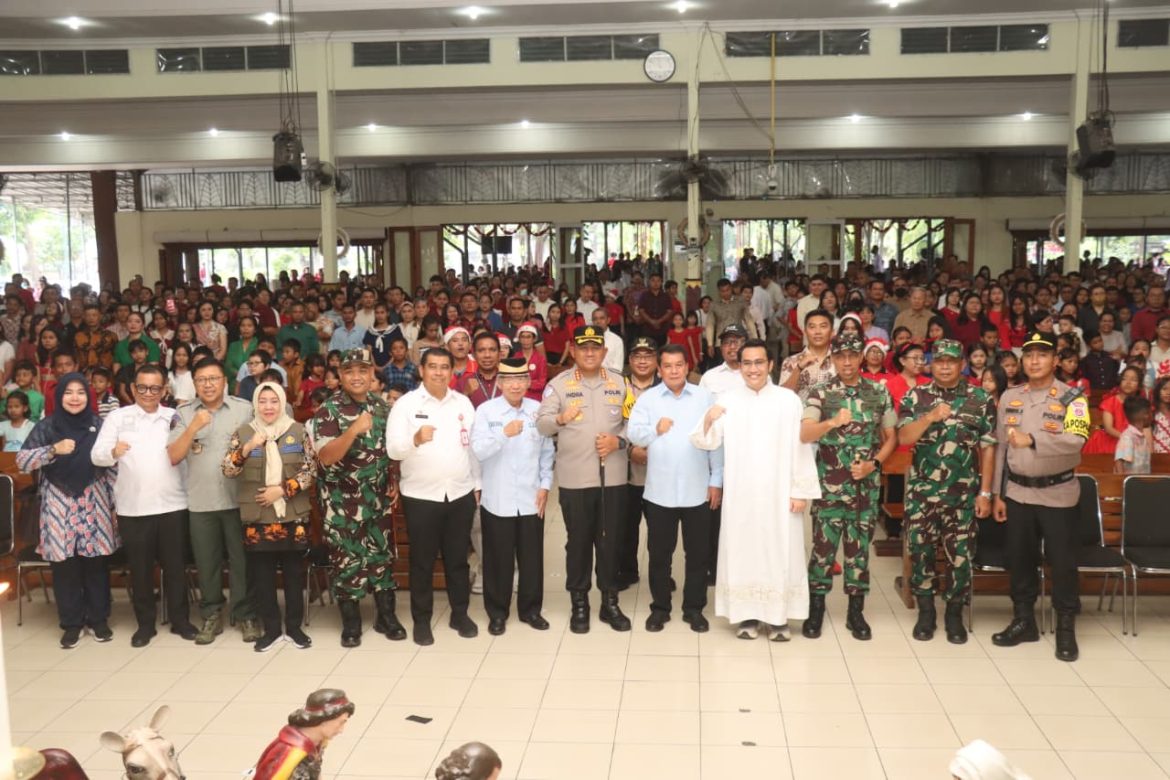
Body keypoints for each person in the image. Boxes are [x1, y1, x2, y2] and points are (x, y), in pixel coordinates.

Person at [690, 339, 821, 641]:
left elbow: (801, 446)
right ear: (740, 367)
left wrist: (799, 490)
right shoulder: (729, 400)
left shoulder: (788, 401)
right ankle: (746, 615)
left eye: (759, 362)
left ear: (770, 365)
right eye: (747, 363)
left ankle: (778, 618)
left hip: (779, 492)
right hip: (742, 492)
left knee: (779, 549)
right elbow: (705, 441)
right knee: (743, 549)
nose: (753, 369)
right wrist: (709, 418)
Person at [992, 330, 1089, 663]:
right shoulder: (1009, 396)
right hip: (1018, 493)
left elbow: (1077, 440)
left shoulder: (1073, 397)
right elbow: (1001, 448)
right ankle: (1024, 621)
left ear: (1056, 360)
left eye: (1043, 354)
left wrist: (1032, 439)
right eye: (1029, 355)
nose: (1034, 361)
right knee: (1020, 560)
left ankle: (1065, 627)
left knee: (1063, 563)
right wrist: (998, 493)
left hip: (1058, 494)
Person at [897, 339, 997, 644]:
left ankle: (954, 614)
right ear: (931, 364)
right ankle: (926, 612)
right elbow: (903, 438)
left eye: (951, 361)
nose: (944, 367)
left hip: (962, 495)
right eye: (939, 361)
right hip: (922, 495)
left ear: (961, 364)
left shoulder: (980, 398)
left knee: (960, 556)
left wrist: (985, 493)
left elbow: (988, 448)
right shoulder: (916, 396)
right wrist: (928, 417)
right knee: (920, 552)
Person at [800, 333, 897, 642]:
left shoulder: (878, 392)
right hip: (829, 490)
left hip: (863, 490)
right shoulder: (820, 392)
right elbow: (805, 434)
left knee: (859, 554)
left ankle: (856, 612)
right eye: (840, 356)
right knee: (822, 552)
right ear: (832, 358)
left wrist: (874, 464)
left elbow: (892, 437)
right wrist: (831, 423)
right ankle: (816, 609)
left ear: (861, 358)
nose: (846, 362)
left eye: (852, 355)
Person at [91, 364, 197, 646]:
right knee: (140, 571)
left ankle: (180, 621)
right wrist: (113, 452)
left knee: (175, 568)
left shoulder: (174, 417)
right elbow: (97, 455)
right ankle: (145, 625)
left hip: (173, 505)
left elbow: (186, 457)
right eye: (142, 387)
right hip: (133, 508)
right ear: (132, 388)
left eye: (154, 388)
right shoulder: (118, 417)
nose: (148, 393)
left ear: (164, 390)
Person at [536, 325, 632, 634]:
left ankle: (609, 602)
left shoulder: (621, 383)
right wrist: (559, 419)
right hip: (575, 479)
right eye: (583, 348)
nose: (589, 353)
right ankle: (579, 603)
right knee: (577, 543)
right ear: (573, 351)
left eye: (595, 347)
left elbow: (635, 423)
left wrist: (619, 441)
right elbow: (541, 424)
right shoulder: (558, 385)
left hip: (612, 478)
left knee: (610, 542)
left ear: (605, 351)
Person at [307, 346, 405, 647]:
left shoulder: (382, 407)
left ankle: (386, 616)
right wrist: (352, 431)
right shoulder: (329, 409)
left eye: (363, 370)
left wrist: (393, 479)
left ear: (372, 372)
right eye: (349, 371)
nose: (357, 376)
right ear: (340, 375)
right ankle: (351, 623)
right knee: (347, 561)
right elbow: (325, 457)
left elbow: (390, 450)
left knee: (381, 557)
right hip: (342, 503)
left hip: (376, 500)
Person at [386, 347, 480, 645]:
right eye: (433, 366)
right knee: (422, 562)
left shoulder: (463, 403)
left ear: (452, 371)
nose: (439, 372)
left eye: (444, 367)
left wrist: (476, 484)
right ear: (421, 370)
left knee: (458, 560)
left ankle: (460, 614)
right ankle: (422, 621)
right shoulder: (405, 405)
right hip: (420, 496)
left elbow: (472, 447)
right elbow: (393, 449)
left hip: (460, 493)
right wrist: (415, 439)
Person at [17, 374, 118, 649]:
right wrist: (53, 450)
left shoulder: (100, 425)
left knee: (96, 565)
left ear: (89, 396)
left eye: (81, 392)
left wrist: (116, 504)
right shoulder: (47, 426)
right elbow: (23, 461)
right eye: (68, 392)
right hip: (58, 504)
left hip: (94, 501)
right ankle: (71, 624)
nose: (75, 398)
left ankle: (98, 620)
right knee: (65, 567)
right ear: (59, 396)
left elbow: (113, 466)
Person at [627, 345, 722, 633]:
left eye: (679, 365)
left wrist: (716, 480)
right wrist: (655, 429)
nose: (673, 370)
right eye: (667, 366)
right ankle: (660, 609)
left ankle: (694, 609)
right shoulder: (648, 399)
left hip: (697, 490)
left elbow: (716, 439)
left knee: (698, 555)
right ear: (659, 370)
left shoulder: (704, 397)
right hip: (660, 491)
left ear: (687, 367)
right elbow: (633, 434)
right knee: (659, 555)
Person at [167, 358, 261, 645]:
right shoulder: (184, 413)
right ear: (194, 384)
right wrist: (193, 427)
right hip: (202, 502)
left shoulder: (244, 409)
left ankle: (245, 614)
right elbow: (174, 456)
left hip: (239, 500)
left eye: (213, 378)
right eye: (201, 380)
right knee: (206, 563)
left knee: (242, 562)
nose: (208, 385)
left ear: (225, 382)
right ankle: (211, 614)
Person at [222, 381, 314, 652]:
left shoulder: (298, 431)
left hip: (292, 515)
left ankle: (294, 629)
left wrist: (283, 490)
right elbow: (228, 470)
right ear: (255, 404)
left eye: (274, 401)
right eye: (262, 401)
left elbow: (311, 470)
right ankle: (272, 630)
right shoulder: (243, 432)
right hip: (258, 517)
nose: (268, 407)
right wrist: (247, 447)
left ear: (282, 403)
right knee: (262, 576)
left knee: (294, 575)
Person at [470, 357, 554, 635]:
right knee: (498, 560)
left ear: (528, 382)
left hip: (531, 498)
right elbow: (478, 450)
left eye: (521, 379)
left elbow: (547, 452)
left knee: (532, 559)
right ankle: (497, 613)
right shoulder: (486, 411)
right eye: (509, 380)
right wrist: (504, 434)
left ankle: (531, 611)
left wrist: (545, 485)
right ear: (500, 382)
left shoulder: (537, 410)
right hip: (498, 499)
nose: (515, 385)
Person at [616, 337, 659, 590]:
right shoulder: (618, 387)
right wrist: (631, 449)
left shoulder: (666, 387)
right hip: (625, 468)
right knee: (626, 525)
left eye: (648, 356)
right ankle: (627, 570)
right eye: (637, 356)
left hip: (658, 470)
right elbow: (611, 424)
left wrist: (651, 449)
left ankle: (660, 573)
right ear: (630, 360)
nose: (642, 361)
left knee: (659, 528)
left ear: (656, 360)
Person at [251, 689, 354, 780]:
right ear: (324, 720)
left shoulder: (318, 741)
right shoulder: (290, 755)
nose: (341, 730)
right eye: (341, 722)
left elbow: (316, 770)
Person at [779, 309, 836, 402]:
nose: (817, 332)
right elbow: (782, 397)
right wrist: (798, 369)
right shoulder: (791, 361)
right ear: (805, 332)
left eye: (823, 326)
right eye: (812, 327)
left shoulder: (841, 361)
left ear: (832, 332)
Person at [1114, 395, 1153, 475]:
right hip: (1131, 481)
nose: (1152, 416)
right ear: (1144, 415)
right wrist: (1121, 480)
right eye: (1150, 412)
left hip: (1141, 480)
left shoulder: (1142, 437)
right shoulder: (1128, 437)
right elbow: (1119, 461)